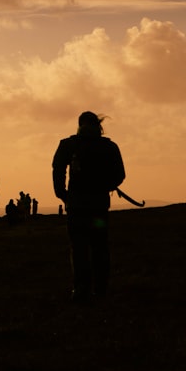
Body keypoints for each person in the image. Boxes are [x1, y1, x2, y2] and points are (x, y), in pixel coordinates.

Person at [52, 111, 126, 303]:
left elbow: (57, 169)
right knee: (100, 246)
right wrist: (105, 186)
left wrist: (62, 194)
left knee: (78, 247)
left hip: (76, 206)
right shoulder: (109, 147)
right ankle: (100, 289)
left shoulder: (68, 144)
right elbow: (120, 174)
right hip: (99, 206)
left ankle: (81, 289)